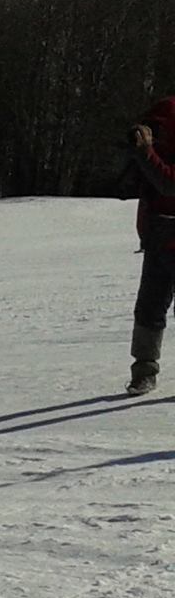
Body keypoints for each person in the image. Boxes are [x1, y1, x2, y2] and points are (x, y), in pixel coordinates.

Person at [125, 97, 175, 395]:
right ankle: (143, 372)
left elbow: (170, 184)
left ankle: (144, 372)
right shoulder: (164, 110)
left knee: (151, 308)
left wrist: (146, 153)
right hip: (158, 237)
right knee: (149, 309)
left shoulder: (152, 153)